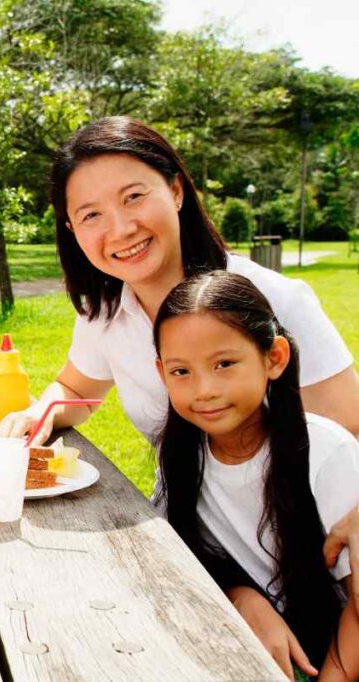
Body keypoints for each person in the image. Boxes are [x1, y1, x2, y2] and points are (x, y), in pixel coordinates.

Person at [0, 116, 358, 447]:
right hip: (169, 517)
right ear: (72, 230)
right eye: (91, 215)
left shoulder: (275, 299)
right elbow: (75, 388)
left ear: (176, 191)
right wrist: (40, 411)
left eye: (133, 197)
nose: (121, 230)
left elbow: (350, 431)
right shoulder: (106, 312)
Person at [152, 271, 359, 681]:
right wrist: (241, 597)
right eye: (181, 372)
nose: (204, 389)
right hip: (253, 650)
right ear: (161, 373)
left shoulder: (324, 452)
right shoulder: (180, 455)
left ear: (274, 358)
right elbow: (181, 561)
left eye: (224, 364)